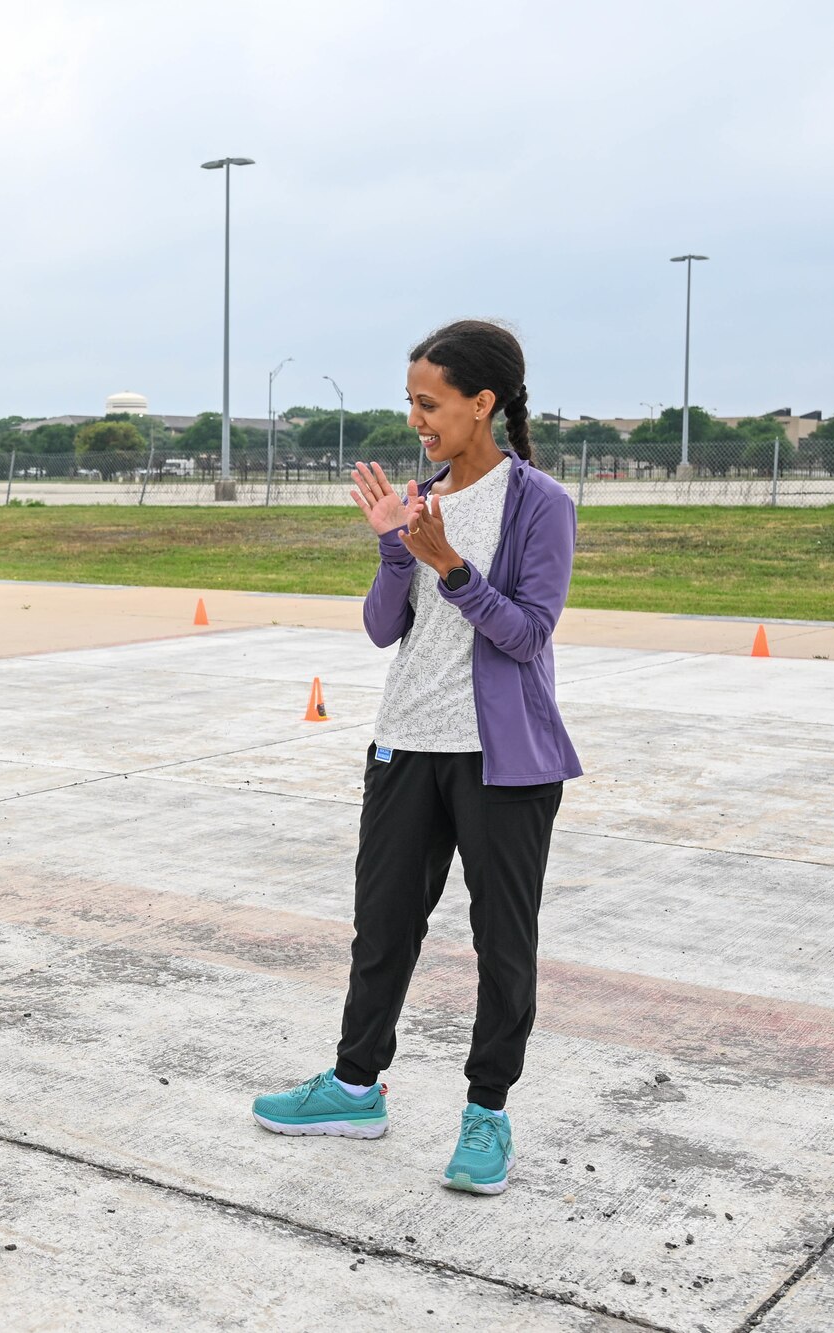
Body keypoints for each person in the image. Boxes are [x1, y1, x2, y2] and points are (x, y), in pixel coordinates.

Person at [251, 320, 582, 1195]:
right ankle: (356, 1085)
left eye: (429, 403)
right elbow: (379, 629)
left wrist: (454, 567)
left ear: (484, 403)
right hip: (405, 744)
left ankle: (487, 1114)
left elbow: (530, 636)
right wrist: (395, 548)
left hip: (500, 759)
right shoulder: (418, 494)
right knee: (384, 926)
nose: (417, 420)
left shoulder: (540, 503)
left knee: (502, 942)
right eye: (410, 402)